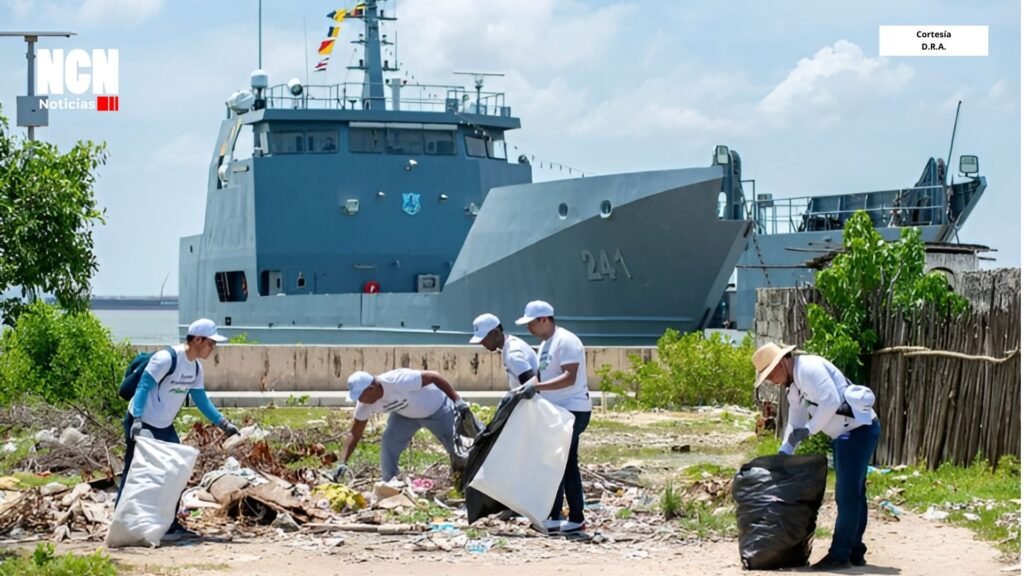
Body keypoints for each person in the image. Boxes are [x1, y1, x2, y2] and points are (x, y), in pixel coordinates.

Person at [752, 342, 882, 570]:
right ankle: (854, 551)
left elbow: (831, 401)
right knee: (854, 494)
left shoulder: (809, 369)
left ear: (782, 363)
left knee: (847, 495)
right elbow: (795, 421)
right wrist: (785, 452)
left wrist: (809, 430)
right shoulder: (793, 387)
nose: (772, 380)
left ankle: (840, 555)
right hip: (844, 435)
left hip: (857, 432)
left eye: (771, 374)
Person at [117, 319, 240, 534]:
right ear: (197, 340)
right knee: (133, 471)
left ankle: (169, 524)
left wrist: (223, 423)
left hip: (164, 425)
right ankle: (121, 522)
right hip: (142, 421)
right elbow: (143, 387)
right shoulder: (166, 359)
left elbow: (201, 400)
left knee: (176, 471)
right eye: (211, 343)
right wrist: (136, 420)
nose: (213, 348)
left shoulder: (195, 368)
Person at [515, 300, 592, 533]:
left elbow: (570, 377)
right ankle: (554, 514)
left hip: (574, 409)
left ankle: (576, 517)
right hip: (557, 411)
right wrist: (522, 389)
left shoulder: (566, 341)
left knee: (566, 463)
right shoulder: (545, 345)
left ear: (543, 319)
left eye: (531, 323)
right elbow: (541, 376)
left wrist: (537, 388)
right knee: (554, 462)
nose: (528, 328)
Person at [334, 369, 472, 482]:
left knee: (459, 448)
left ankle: (467, 479)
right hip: (405, 416)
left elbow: (434, 376)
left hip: (437, 409)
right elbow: (355, 432)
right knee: (389, 441)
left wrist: (457, 400)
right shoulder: (365, 404)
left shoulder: (398, 380)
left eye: (360, 396)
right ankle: (389, 483)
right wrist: (343, 462)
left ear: (371, 388)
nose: (359, 400)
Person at [469, 313, 539, 388]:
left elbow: (532, 387)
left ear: (495, 333)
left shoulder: (513, 353)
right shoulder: (510, 344)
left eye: (484, 338)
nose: (481, 342)